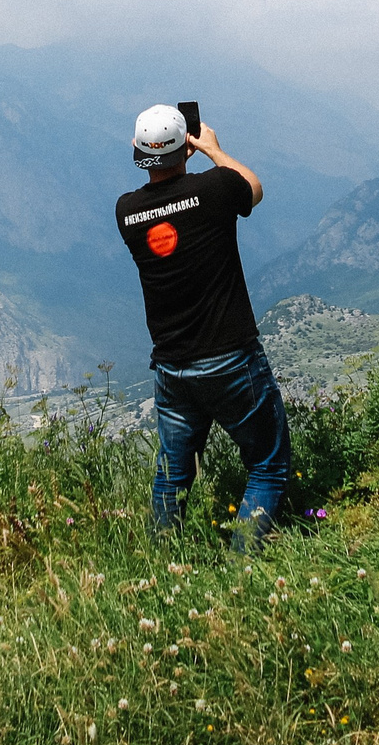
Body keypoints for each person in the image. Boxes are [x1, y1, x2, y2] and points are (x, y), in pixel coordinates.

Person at [114, 103, 292, 544]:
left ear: (136, 148)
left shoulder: (127, 212)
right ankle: (242, 568)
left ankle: (162, 564)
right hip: (231, 359)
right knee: (267, 465)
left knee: (172, 475)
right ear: (186, 148)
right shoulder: (215, 188)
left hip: (172, 367)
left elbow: (167, 200)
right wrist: (214, 149)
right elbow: (253, 187)